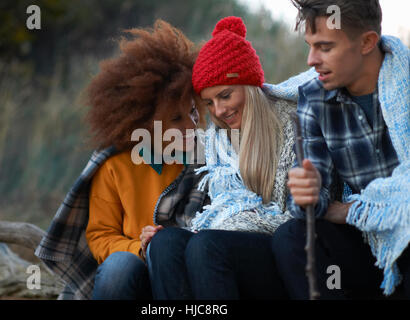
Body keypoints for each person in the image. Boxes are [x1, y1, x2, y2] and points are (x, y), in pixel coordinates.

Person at [34, 19, 208, 300]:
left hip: (181, 272)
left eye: (193, 113)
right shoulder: (114, 167)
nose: (191, 126)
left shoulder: (206, 160)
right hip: (133, 276)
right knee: (118, 267)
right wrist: (139, 246)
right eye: (176, 119)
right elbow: (100, 237)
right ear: (141, 122)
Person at [147, 16, 300, 300]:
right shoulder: (216, 139)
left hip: (280, 254)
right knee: (165, 242)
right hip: (227, 242)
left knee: (206, 245)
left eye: (225, 95)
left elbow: (296, 220)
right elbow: (215, 211)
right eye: (209, 103)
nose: (218, 111)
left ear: (250, 87)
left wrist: (224, 227)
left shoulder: (291, 123)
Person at [272, 0, 410, 299]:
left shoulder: (406, 83)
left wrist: (352, 210)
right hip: (366, 245)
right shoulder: (314, 98)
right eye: (310, 46)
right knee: (292, 237)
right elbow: (314, 205)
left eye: (325, 47)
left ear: (367, 43)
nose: (311, 60)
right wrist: (307, 194)